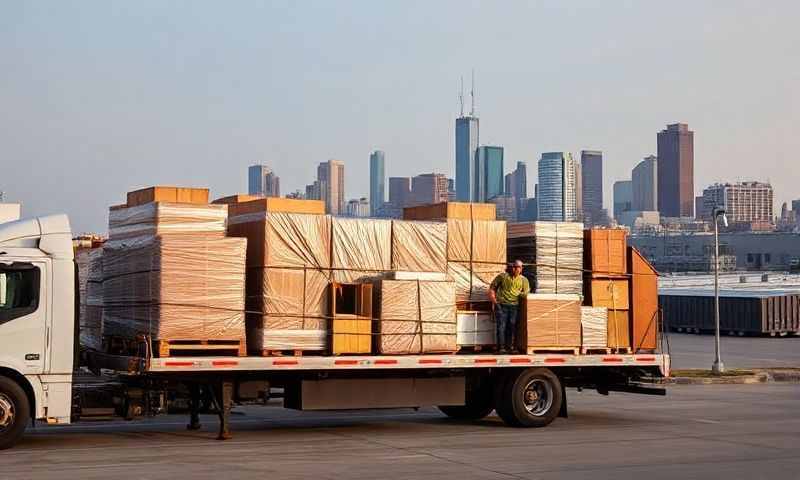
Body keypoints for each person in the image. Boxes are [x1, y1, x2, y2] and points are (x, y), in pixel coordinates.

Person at [489, 259, 530, 353]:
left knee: (512, 326)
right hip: (501, 305)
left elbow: (526, 292)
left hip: (514, 306)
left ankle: (511, 347)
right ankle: (501, 348)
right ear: (511, 267)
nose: (516, 269)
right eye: (515, 267)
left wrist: (520, 294)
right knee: (501, 326)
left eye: (518, 267)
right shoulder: (503, 276)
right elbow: (492, 288)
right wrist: (495, 301)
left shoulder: (524, 280)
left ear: (521, 269)